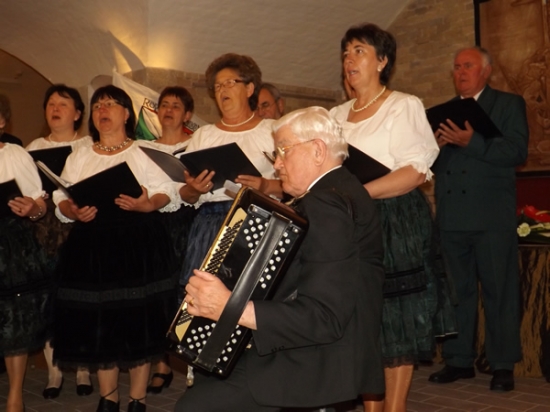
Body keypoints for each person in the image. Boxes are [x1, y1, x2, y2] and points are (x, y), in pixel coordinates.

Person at [174, 106, 385, 411]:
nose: (276, 164)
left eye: (284, 151)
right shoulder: (339, 191)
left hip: (313, 363)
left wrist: (229, 307)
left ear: (317, 150)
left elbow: (324, 316)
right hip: (312, 351)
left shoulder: (326, 204)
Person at [330, 23, 456, 412]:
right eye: (346, 52)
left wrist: (360, 192)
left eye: (360, 51)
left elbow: (416, 171)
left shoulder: (404, 105)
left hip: (394, 219)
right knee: (365, 316)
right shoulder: (335, 114)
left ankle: (395, 407)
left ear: (382, 61)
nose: (350, 59)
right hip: (348, 220)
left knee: (396, 315)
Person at [52, 85, 182, 412]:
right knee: (102, 321)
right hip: (92, 245)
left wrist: (147, 204)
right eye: (98, 105)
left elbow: (167, 190)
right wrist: (73, 211)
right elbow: (61, 198)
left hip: (138, 242)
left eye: (110, 104)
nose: (103, 109)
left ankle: (137, 399)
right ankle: (108, 397)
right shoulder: (80, 155)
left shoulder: (145, 151)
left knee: (138, 320)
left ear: (126, 114)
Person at [429, 47, 529, 392]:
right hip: (452, 216)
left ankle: (502, 364)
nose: (460, 72)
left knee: (500, 293)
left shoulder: (508, 104)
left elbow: (517, 151)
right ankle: (458, 360)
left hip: (491, 217)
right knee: (458, 293)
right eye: (457, 67)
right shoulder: (445, 111)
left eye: (468, 66)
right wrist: (436, 146)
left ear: (486, 71)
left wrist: (473, 142)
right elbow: (431, 165)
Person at [178, 53, 282, 297]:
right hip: (210, 225)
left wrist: (265, 186)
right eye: (217, 86)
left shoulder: (271, 130)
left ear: (249, 89)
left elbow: (297, 184)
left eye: (229, 83)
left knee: (250, 298)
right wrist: (194, 188)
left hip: (258, 221)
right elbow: (186, 195)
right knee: (202, 300)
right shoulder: (203, 135)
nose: (222, 90)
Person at [26, 83, 94, 400]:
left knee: (80, 294)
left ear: (78, 113)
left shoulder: (88, 146)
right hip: (43, 228)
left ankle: (83, 367)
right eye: (51, 103)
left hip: (79, 224)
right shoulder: (32, 148)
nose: (55, 108)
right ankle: (54, 371)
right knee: (48, 298)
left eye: (63, 104)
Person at [138, 86, 198, 394]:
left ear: (187, 114)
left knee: (186, 291)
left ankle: (191, 361)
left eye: (176, 106)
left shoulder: (195, 145)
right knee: (157, 291)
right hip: (153, 223)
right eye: (164, 105)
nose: (169, 110)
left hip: (187, 221)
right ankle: (162, 363)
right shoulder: (142, 147)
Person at [0, 142, 49, 412]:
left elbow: (39, 203)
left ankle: (15, 397)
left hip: (9, 243)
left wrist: (33, 209)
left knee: (14, 320)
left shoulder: (14, 154)